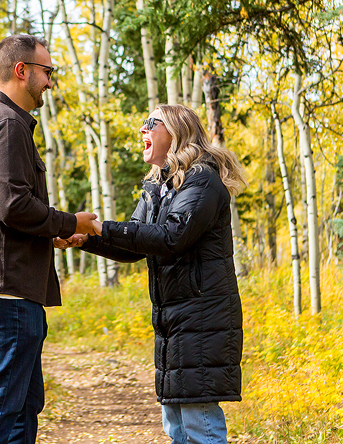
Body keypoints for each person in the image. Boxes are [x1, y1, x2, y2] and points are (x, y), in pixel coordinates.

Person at [0, 33, 99, 444]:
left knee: (20, 411)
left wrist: (47, 235)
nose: (50, 81)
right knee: (0, 412)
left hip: (9, 289)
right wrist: (70, 222)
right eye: (47, 72)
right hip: (8, 294)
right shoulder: (6, 123)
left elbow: (0, 211)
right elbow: (12, 205)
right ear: (22, 71)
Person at [66, 104, 245, 444]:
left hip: (201, 321)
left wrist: (103, 226)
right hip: (173, 323)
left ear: (176, 131)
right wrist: (86, 239)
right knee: (176, 428)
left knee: (200, 428)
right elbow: (135, 242)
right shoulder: (158, 188)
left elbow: (171, 237)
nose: (142, 130)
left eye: (151, 123)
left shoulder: (202, 180)